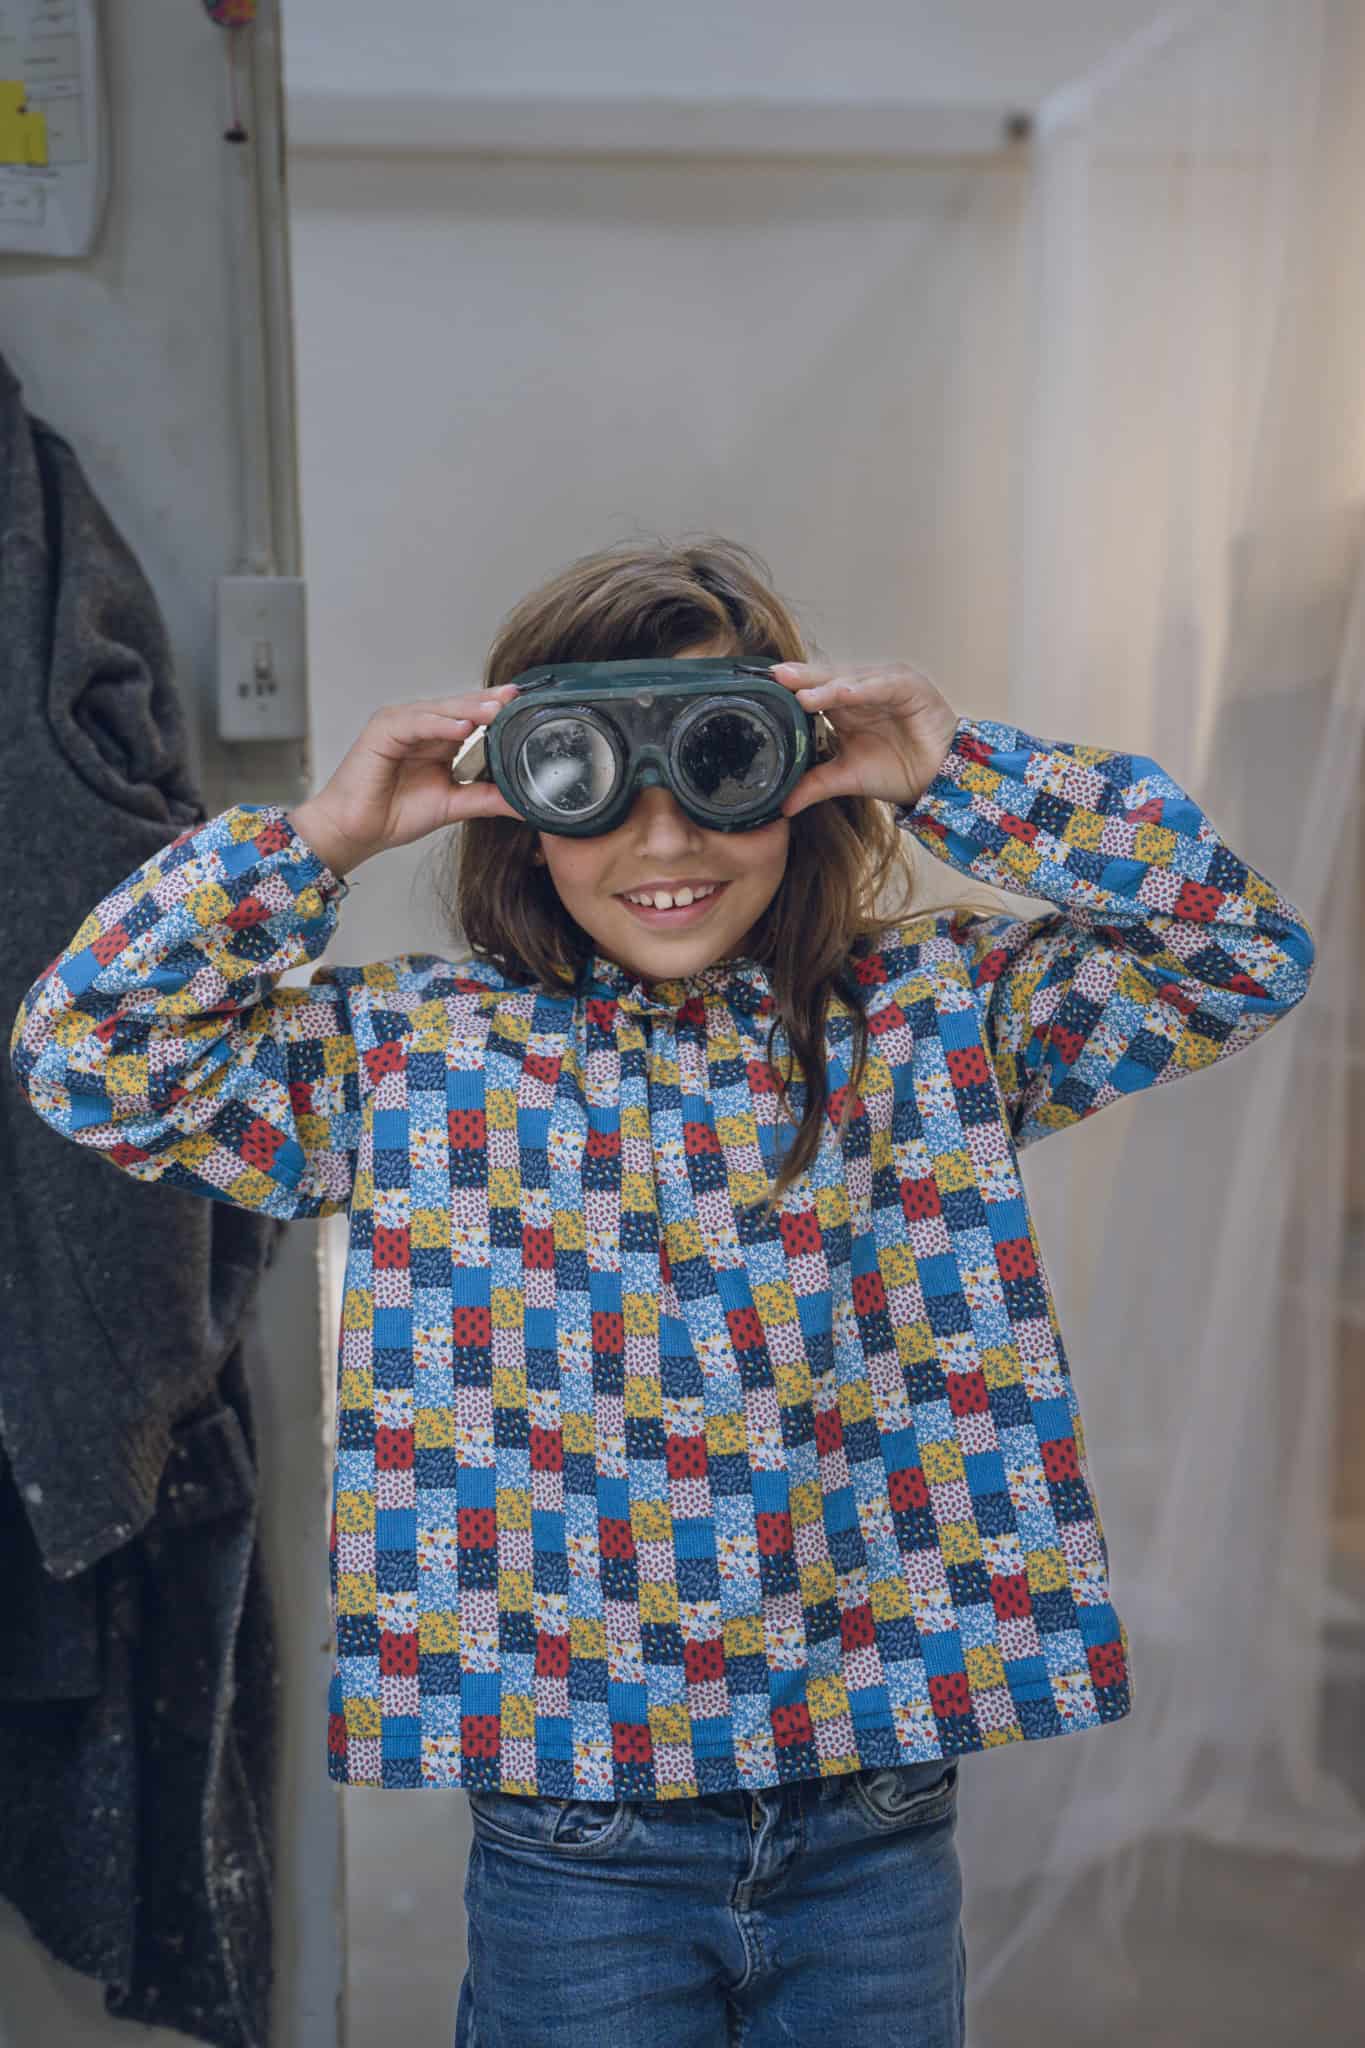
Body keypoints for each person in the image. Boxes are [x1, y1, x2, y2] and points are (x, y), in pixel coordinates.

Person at [8, 537, 1316, 2046]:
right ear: (522, 803)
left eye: (719, 765)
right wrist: (322, 837)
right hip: (580, 1830)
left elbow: (1236, 955)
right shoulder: (416, 1059)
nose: (663, 838)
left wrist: (958, 770)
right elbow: (86, 1054)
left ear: (800, 775)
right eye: (589, 780)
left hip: (874, 1806)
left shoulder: (935, 1020)